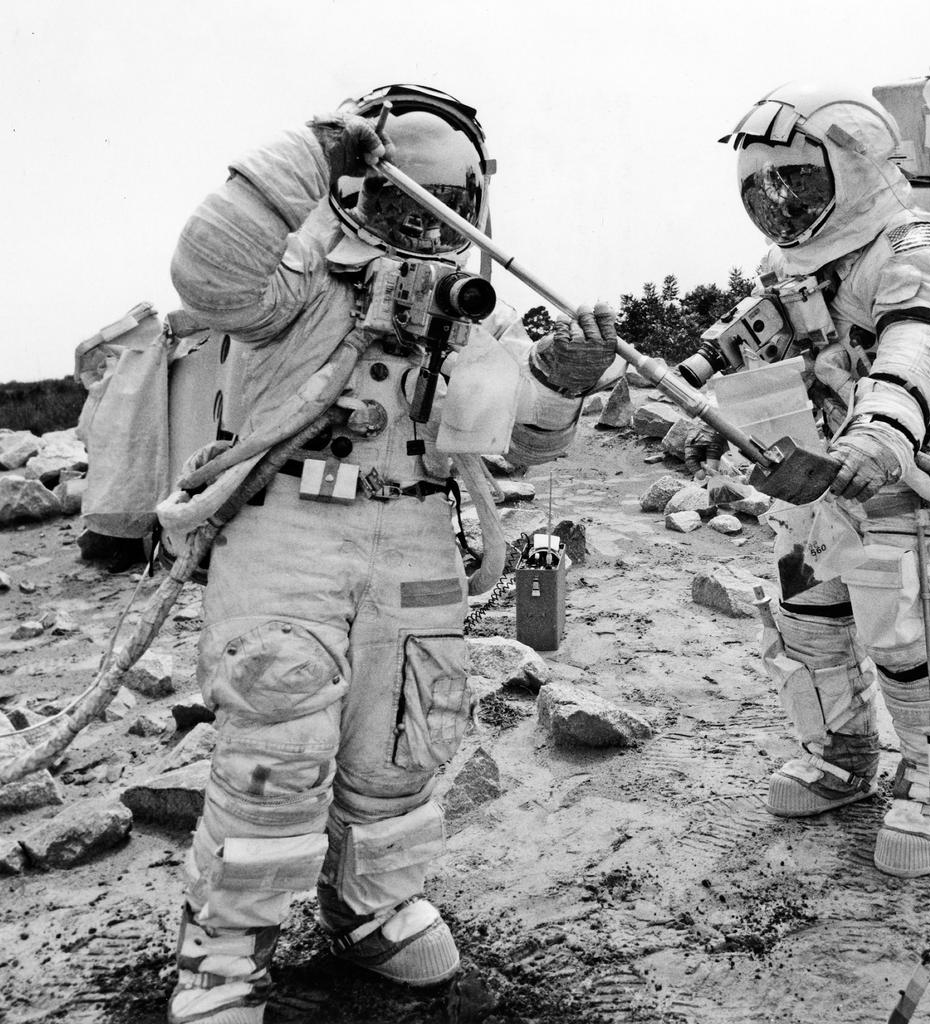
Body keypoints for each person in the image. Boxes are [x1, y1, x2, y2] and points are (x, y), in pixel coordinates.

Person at [164, 84, 616, 1024]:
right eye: (400, 194)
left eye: (435, 199)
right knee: (278, 729)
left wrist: (565, 378)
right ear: (362, 182)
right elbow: (207, 273)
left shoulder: (473, 306)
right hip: (290, 522)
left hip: (415, 525)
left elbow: (522, 443)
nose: (417, 219)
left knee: (408, 733)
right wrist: (313, 149)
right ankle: (226, 950)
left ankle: (371, 909)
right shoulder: (295, 277)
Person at [715, 82, 930, 878]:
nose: (778, 198)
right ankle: (842, 753)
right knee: (806, 611)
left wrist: (879, 435)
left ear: (856, 169)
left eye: (798, 179)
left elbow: (918, 346)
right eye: (765, 184)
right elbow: (751, 330)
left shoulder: (919, 248)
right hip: (825, 458)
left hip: (919, 458)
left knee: (904, 626)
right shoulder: (798, 259)